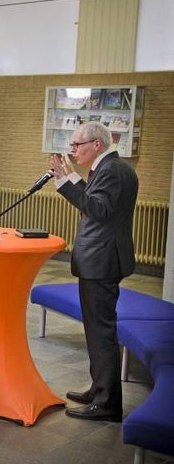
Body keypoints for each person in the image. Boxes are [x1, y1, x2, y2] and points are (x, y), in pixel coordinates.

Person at [49, 121, 138, 422]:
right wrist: (72, 179)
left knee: (101, 332)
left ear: (96, 144)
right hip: (103, 259)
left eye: (77, 145)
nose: (72, 151)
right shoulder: (113, 168)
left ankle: (107, 403)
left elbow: (97, 210)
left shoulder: (111, 170)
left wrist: (64, 183)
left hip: (102, 261)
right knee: (97, 329)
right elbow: (99, 202)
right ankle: (99, 389)